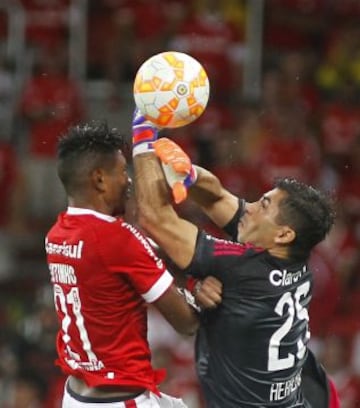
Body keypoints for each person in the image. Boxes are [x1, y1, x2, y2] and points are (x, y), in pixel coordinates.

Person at [132, 111, 341, 407]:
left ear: (282, 234)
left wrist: (143, 136)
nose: (250, 207)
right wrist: (189, 174)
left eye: (263, 205)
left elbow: (154, 217)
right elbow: (218, 197)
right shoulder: (296, 260)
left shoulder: (241, 267)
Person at [45, 121, 222, 407]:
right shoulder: (117, 239)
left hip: (76, 395)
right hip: (120, 399)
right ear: (99, 179)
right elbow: (187, 322)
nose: (128, 181)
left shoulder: (56, 235)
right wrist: (198, 289)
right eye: (122, 171)